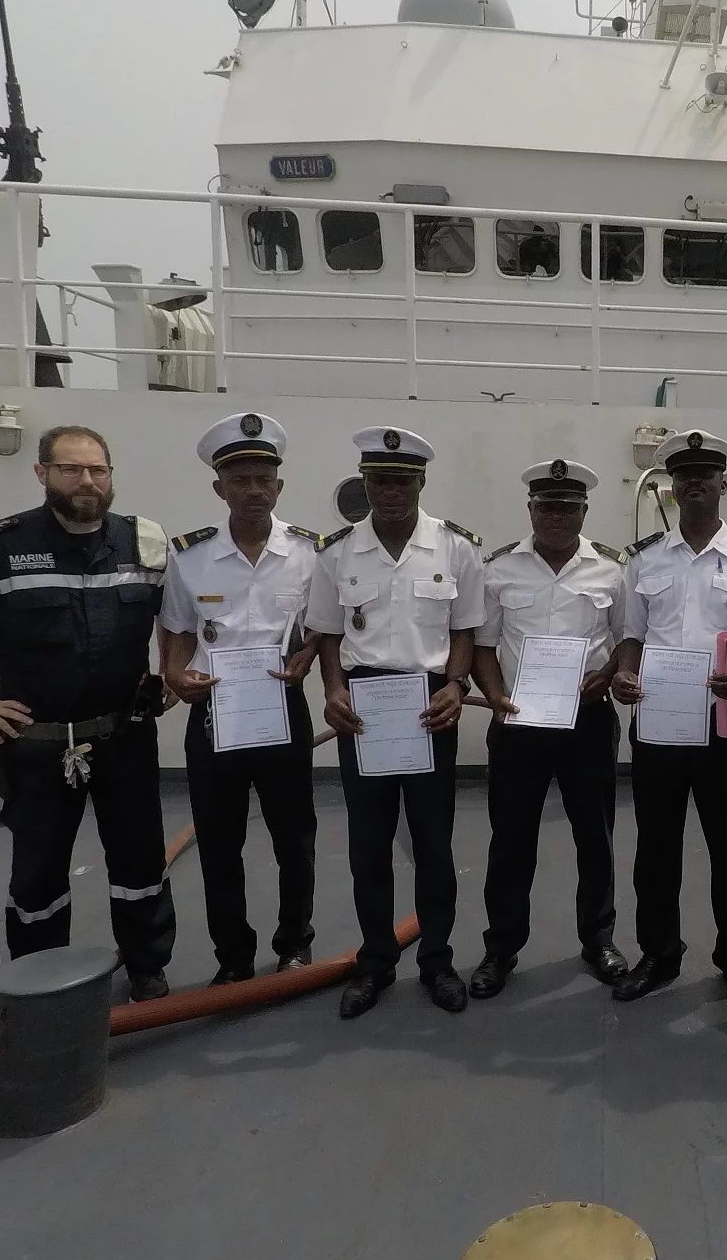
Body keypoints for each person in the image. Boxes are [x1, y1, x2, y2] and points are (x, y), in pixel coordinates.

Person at [0, 424, 175, 1000]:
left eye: (97, 470)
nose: (86, 482)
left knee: (140, 861)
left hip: (123, 736)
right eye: (71, 469)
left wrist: (170, 671)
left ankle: (147, 965)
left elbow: (177, 615)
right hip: (36, 745)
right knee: (38, 872)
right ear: (42, 474)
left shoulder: (143, 542)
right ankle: (39, 979)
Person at [306, 426, 485, 1019]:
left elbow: (465, 631)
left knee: (434, 843)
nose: (391, 491)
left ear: (421, 481)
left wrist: (457, 685)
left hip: (431, 703)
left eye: (402, 479)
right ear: (365, 482)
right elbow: (327, 634)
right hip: (364, 706)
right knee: (368, 845)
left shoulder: (456, 548)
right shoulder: (336, 552)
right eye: (380, 479)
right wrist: (332, 689)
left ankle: (437, 959)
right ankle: (376, 962)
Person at [610, 429, 727, 1012]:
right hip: (658, 723)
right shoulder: (645, 561)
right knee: (655, 846)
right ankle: (658, 953)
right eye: (684, 475)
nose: (695, 483)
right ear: (673, 486)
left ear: (722, 484)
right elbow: (631, 637)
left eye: (705, 474)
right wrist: (623, 678)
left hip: (725, 719)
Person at [159, 413, 323, 986]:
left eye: (263, 479)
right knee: (219, 842)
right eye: (239, 479)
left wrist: (309, 658)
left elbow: (323, 627)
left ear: (279, 486)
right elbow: (177, 627)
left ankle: (294, 945)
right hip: (213, 712)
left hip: (282, 707)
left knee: (294, 838)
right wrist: (172, 674)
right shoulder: (189, 556)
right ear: (218, 487)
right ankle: (233, 955)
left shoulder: (309, 553)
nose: (253, 490)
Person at [468, 458, 630, 997]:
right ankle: (501, 947)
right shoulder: (499, 570)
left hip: (588, 718)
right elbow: (483, 645)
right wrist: (495, 698)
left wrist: (606, 673)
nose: (556, 517)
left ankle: (598, 938)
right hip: (518, 721)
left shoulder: (610, 570)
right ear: (530, 509)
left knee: (595, 835)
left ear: (584, 510)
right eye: (546, 506)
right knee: (511, 838)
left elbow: (627, 637)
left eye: (568, 507)